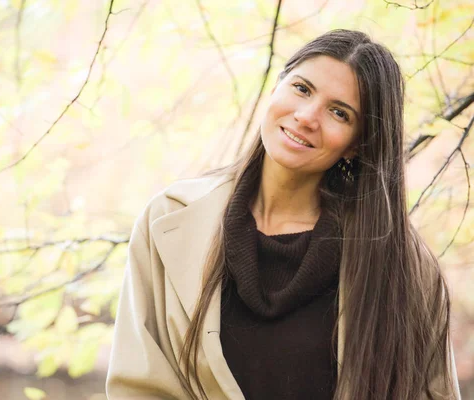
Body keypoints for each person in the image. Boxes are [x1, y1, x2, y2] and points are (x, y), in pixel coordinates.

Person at [105, 29, 461, 400]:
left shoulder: (404, 267)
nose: (307, 116)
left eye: (339, 112)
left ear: (356, 145)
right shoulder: (168, 221)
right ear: (277, 86)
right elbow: (138, 387)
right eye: (302, 89)